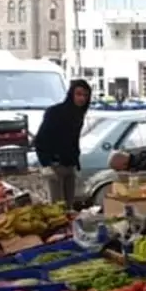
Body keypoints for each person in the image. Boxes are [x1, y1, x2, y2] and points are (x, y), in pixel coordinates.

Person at [34, 79, 92, 207]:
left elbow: (73, 141)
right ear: (71, 94)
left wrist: (76, 163)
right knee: (57, 206)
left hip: (70, 165)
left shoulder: (78, 114)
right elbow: (40, 139)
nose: (82, 98)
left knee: (69, 205)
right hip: (55, 164)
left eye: (85, 95)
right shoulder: (56, 112)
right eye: (79, 94)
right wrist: (46, 163)